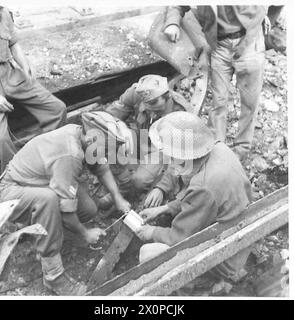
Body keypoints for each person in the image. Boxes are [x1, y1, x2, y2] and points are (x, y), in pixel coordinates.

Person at [0, 111, 131, 296]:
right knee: (47, 200)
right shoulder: (71, 154)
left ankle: (50, 232)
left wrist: (117, 197)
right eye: (106, 149)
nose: (106, 154)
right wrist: (85, 233)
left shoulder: (82, 134)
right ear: (92, 140)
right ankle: (53, 277)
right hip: (10, 192)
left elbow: (101, 168)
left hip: (39, 183)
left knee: (88, 208)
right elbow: (66, 209)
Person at [136, 111, 252, 294]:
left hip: (226, 255)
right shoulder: (218, 148)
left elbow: (180, 239)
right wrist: (165, 208)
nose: (166, 159)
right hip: (238, 226)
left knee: (147, 253)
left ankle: (199, 286)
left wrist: (152, 232)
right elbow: (206, 201)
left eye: (169, 154)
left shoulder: (203, 187)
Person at [163, 6, 267, 160]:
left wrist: (263, 17)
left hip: (250, 42)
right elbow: (176, 5)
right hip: (220, 45)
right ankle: (217, 151)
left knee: (249, 103)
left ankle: (241, 151)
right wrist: (172, 22)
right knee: (219, 101)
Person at [0, 6, 67, 174]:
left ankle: (49, 158)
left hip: (10, 73)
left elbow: (13, 43)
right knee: (0, 138)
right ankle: (14, 176)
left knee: (56, 108)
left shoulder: (2, 13)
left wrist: (24, 63)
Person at [100, 74, 191, 208]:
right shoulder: (136, 92)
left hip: (164, 149)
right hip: (141, 137)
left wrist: (161, 188)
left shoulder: (182, 114)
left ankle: (127, 194)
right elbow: (108, 117)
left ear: (167, 96)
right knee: (106, 140)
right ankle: (113, 184)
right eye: (145, 103)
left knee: (139, 181)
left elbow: (180, 160)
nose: (149, 107)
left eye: (154, 102)